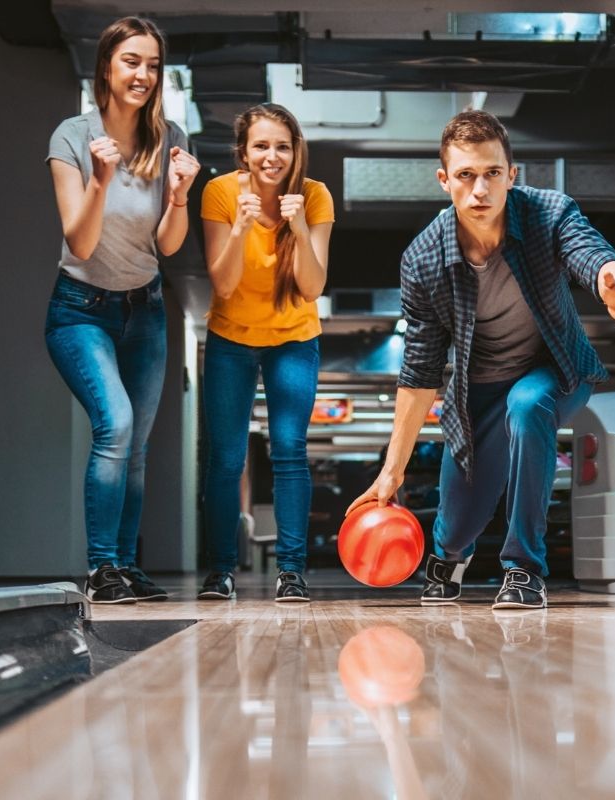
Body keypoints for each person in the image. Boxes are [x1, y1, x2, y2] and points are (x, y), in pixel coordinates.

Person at [347, 110, 615, 610]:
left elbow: (586, 249)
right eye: (465, 175)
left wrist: (608, 278)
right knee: (457, 523)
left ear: (512, 175)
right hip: (477, 390)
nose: (479, 189)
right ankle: (448, 556)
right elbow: (419, 371)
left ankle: (523, 570)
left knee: (527, 408)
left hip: (554, 371)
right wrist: (391, 471)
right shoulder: (423, 259)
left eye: (491, 173)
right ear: (444, 181)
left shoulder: (550, 212)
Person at [45, 16, 199, 604]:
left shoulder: (171, 136)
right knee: (116, 425)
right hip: (80, 311)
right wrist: (101, 178)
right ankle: (101, 568)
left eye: (154, 64)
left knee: (135, 448)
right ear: (106, 65)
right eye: (132, 61)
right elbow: (79, 243)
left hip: (148, 311)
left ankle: (126, 568)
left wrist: (180, 193)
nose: (143, 74)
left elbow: (168, 245)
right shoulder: (72, 137)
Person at [198, 103, 334, 602]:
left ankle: (292, 571)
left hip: (293, 338)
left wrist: (297, 228)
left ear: (296, 150)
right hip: (231, 337)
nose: (272, 156)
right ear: (243, 152)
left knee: (290, 451)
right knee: (226, 457)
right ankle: (220, 570)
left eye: (282, 145)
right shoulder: (219, 193)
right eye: (261, 145)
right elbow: (224, 282)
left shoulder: (315, 196)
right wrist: (239, 227)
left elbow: (312, 287)